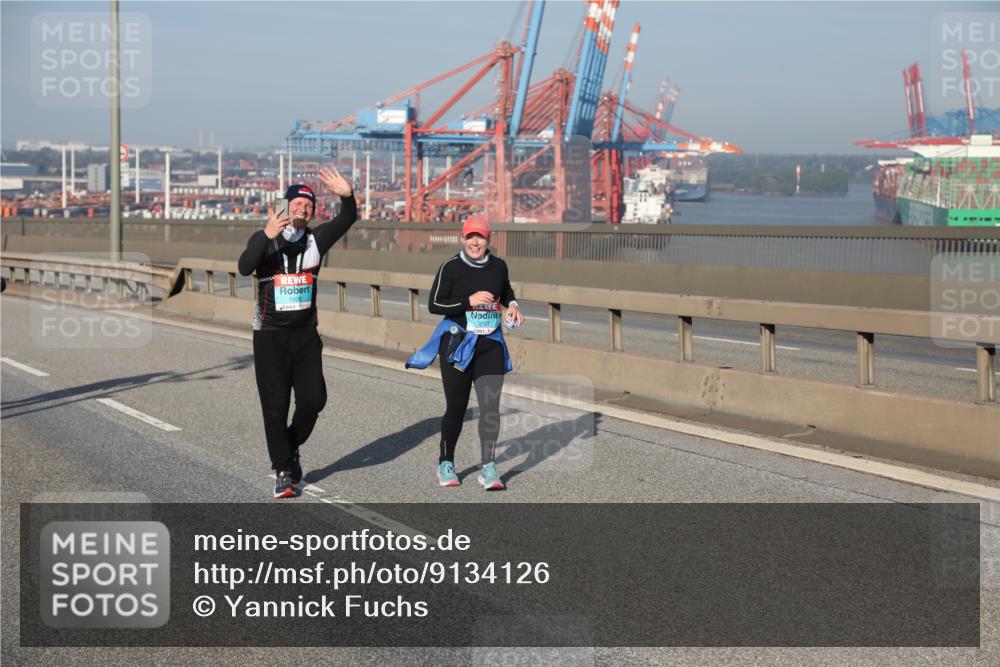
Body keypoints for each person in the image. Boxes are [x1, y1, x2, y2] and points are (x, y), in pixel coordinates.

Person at [238, 167, 356, 498]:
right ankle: (283, 470)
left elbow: (348, 219)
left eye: (309, 206)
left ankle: (288, 448)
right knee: (274, 407)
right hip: (269, 335)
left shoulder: (316, 241)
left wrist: (347, 196)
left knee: (313, 400)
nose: (303, 210)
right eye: (297, 204)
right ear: (286, 206)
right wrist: (265, 234)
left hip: (305, 336)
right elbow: (245, 266)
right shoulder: (265, 239)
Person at [405, 215, 524, 490]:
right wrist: (466, 301)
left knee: (490, 409)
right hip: (457, 346)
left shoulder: (498, 267)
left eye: (480, 237)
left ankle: (489, 467)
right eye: (470, 236)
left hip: (491, 345)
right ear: (462, 238)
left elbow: (504, 290)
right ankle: (446, 462)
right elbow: (434, 304)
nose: (474, 242)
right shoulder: (450, 267)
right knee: (457, 408)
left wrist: (513, 304)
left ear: (488, 239)